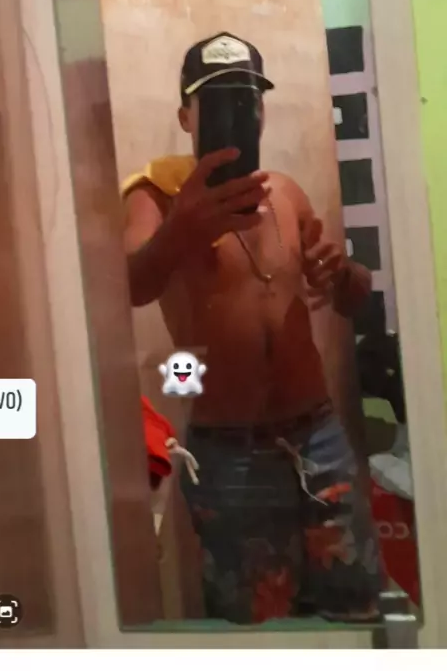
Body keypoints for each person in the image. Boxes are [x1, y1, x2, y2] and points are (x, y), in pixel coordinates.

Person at [122, 32, 382, 624]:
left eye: (246, 99)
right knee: (259, 630)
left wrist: (344, 273)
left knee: (359, 610)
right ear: (186, 116)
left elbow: (349, 297)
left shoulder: (285, 194)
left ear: (262, 111)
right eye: (216, 102)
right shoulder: (156, 198)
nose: (236, 113)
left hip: (319, 437)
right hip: (228, 452)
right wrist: (181, 229)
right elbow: (129, 286)